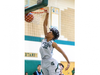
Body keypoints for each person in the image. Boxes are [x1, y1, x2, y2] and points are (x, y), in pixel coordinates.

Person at [39, 9, 70, 75]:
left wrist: (68, 62)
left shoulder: (53, 43)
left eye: (50, 32)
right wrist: (47, 14)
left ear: (52, 36)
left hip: (51, 63)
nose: (48, 32)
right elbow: (44, 25)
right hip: (43, 62)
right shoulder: (45, 38)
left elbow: (62, 52)